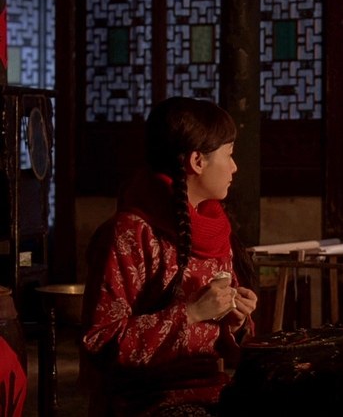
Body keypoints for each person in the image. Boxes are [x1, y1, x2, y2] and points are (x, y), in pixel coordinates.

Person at [79, 96, 259, 417]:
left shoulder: (215, 229)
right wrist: (190, 313)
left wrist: (237, 323)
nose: (235, 167)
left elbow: (230, 350)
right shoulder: (130, 232)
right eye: (229, 154)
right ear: (197, 161)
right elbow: (99, 342)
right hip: (144, 400)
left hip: (212, 390)